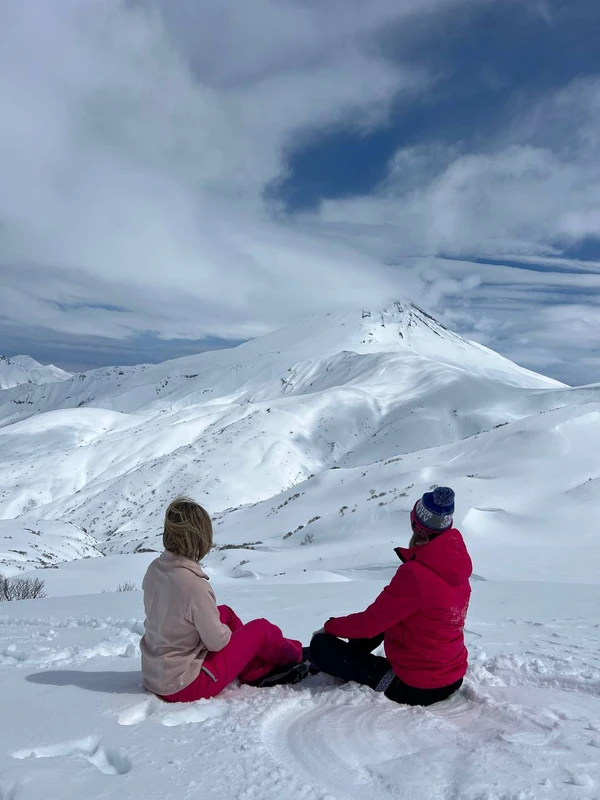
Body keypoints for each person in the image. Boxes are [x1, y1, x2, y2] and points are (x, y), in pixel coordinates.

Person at [310, 487, 472, 706]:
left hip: (416, 688)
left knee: (321, 647)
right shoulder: (456, 569)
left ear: (416, 525)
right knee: (387, 622)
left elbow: (369, 624)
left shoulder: (415, 574)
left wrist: (328, 628)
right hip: (453, 678)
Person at [140, 496, 307, 703]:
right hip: (184, 685)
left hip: (156, 672)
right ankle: (295, 655)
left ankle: (253, 666)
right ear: (199, 538)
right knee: (262, 630)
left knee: (224, 613)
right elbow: (216, 642)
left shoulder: (155, 570)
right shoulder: (194, 586)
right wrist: (225, 633)